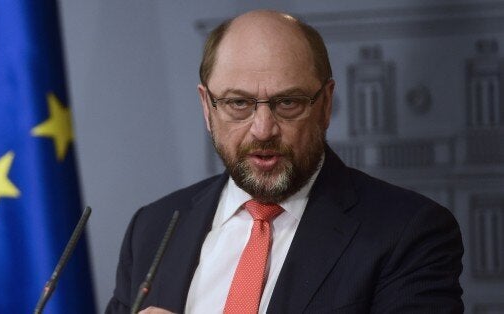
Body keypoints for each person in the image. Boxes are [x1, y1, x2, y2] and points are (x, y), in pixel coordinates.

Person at [106, 9, 463, 314]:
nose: (263, 130)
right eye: (239, 103)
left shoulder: (407, 232)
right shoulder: (153, 228)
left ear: (324, 104)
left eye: (288, 103)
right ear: (207, 107)